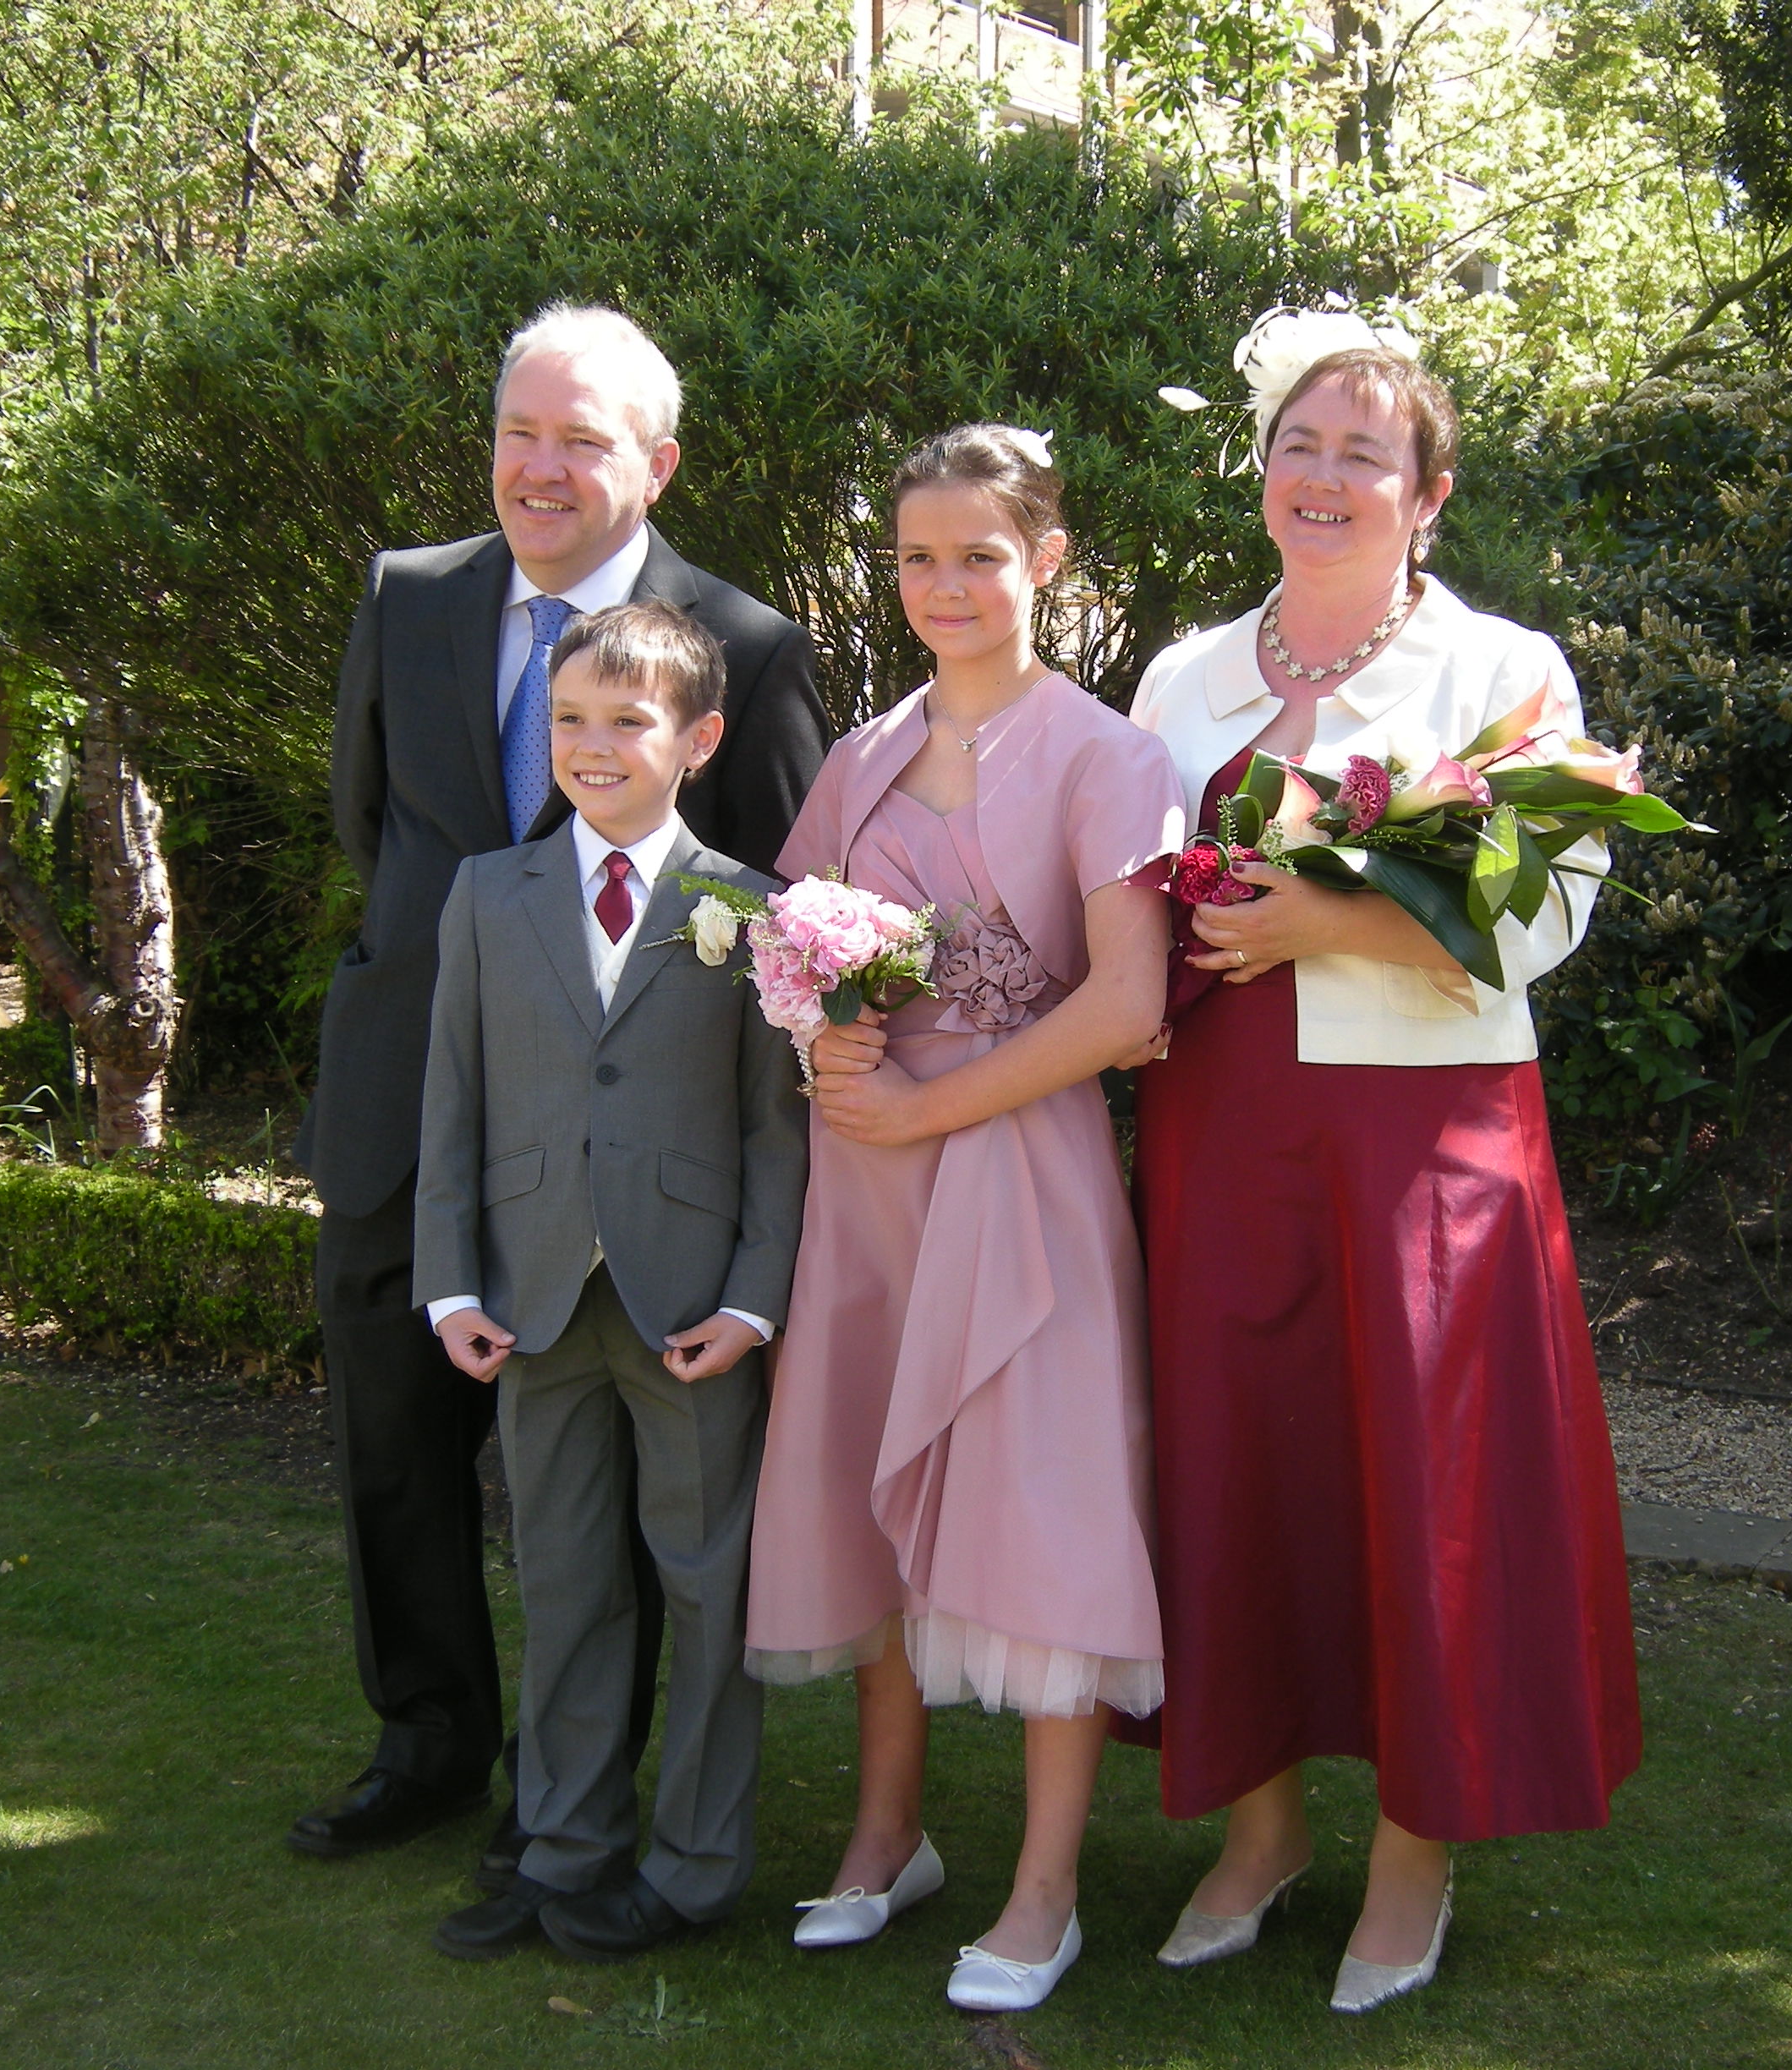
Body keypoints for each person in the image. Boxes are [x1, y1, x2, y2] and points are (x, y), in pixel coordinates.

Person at [1122, 314, 1640, 2014]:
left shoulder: (1505, 675)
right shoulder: (1182, 676)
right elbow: (1124, 893)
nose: (1325, 476)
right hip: (1224, 1133)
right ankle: (1259, 1833)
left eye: (1364, 452)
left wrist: (1320, 914)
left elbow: (1542, 915)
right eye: (1299, 445)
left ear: (1427, 489)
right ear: (1262, 474)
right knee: (1234, 1464)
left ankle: (1413, 1865)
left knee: (1427, 1488)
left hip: (1428, 1145)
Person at [288, 304, 826, 1875]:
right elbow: (368, 828)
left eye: (580, 439)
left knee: (612, 1489)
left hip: (635, 1172)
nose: (539, 468)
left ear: (654, 464)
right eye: (519, 432)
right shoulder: (411, 599)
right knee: (393, 1446)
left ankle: (578, 1791)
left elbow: (778, 914)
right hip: (415, 1109)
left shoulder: (745, 642)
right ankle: (432, 1742)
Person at [744, 424, 1182, 2013]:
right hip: (868, 1180)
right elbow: (790, 942)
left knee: (1042, 1497)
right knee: (868, 1475)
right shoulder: (861, 754)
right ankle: (884, 1834)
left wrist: (930, 1100)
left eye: (981, 556)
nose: (947, 586)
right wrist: (826, 1034)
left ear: (1045, 563)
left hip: (1015, 1165)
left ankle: (1047, 1885)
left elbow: (1131, 1004)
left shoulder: (1107, 754)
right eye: (920, 556)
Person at [413, 600, 808, 1962]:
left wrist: (756, 1302)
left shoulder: (748, 909)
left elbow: (775, 1126)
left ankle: (695, 1864)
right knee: (568, 1580)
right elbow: (450, 1100)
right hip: (530, 1299)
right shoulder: (488, 892)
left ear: (695, 739)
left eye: (627, 721)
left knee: (707, 1590)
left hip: (691, 1305)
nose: (594, 744)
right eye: (571, 719)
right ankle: (564, 1846)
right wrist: (450, 1283)